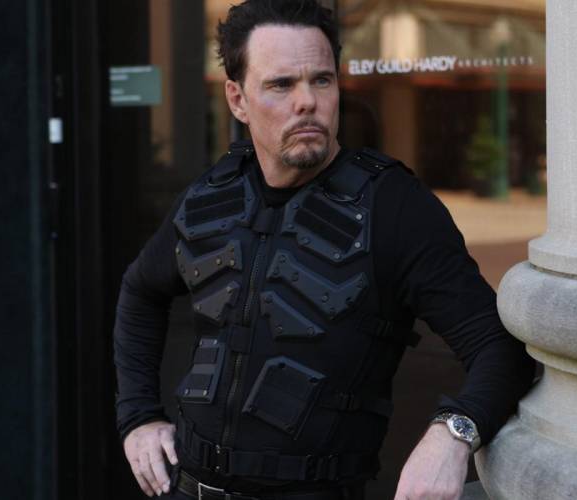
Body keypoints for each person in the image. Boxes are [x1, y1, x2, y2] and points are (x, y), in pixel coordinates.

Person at [113, 1, 536, 498]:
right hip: (187, 486)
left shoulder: (394, 206)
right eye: (281, 84)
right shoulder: (213, 195)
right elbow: (140, 291)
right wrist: (138, 415)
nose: (307, 102)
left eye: (322, 80)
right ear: (237, 99)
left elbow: (499, 348)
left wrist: (453, 434)